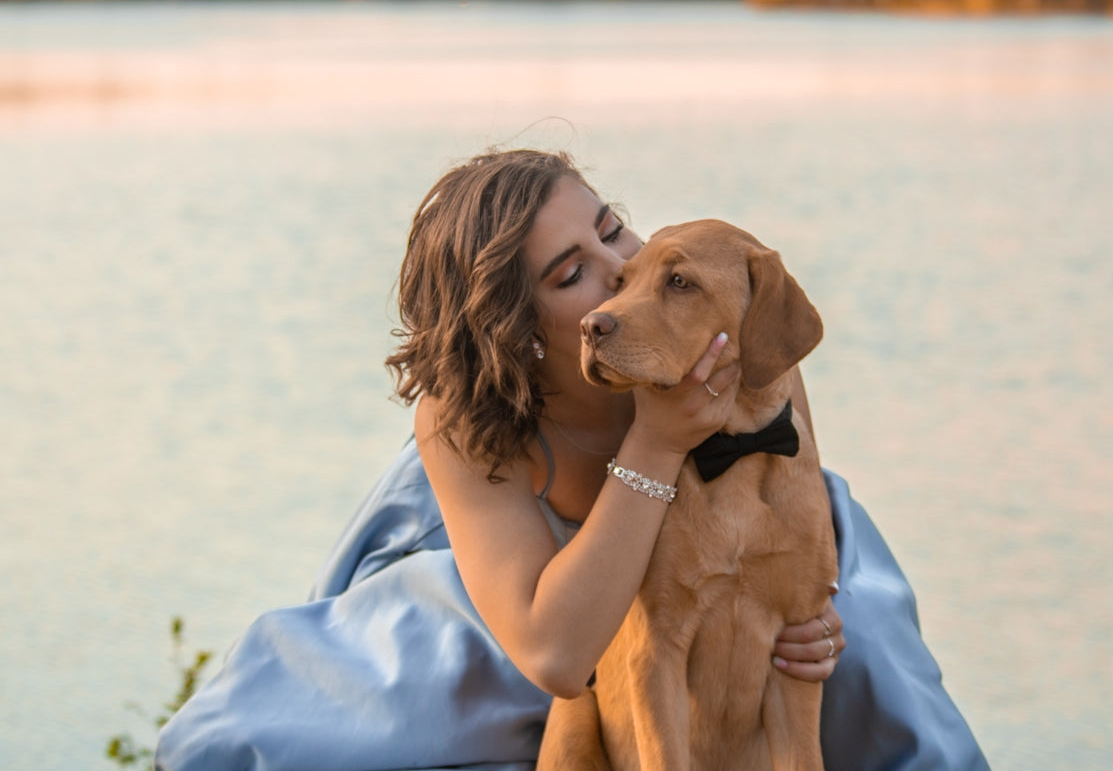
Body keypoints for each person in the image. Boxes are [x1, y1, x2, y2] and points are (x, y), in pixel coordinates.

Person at [155, 149, 989, 771]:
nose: (621, 267)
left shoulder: (714, 328)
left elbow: (789, 522)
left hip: (715, 598)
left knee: (869, 652)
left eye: (610, 226)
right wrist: (658, 441)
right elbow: (554, 656)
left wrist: (803, 613)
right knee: (270, 737)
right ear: (516, 331)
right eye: (572, 274)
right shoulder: (462, 420)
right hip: (512, 611)